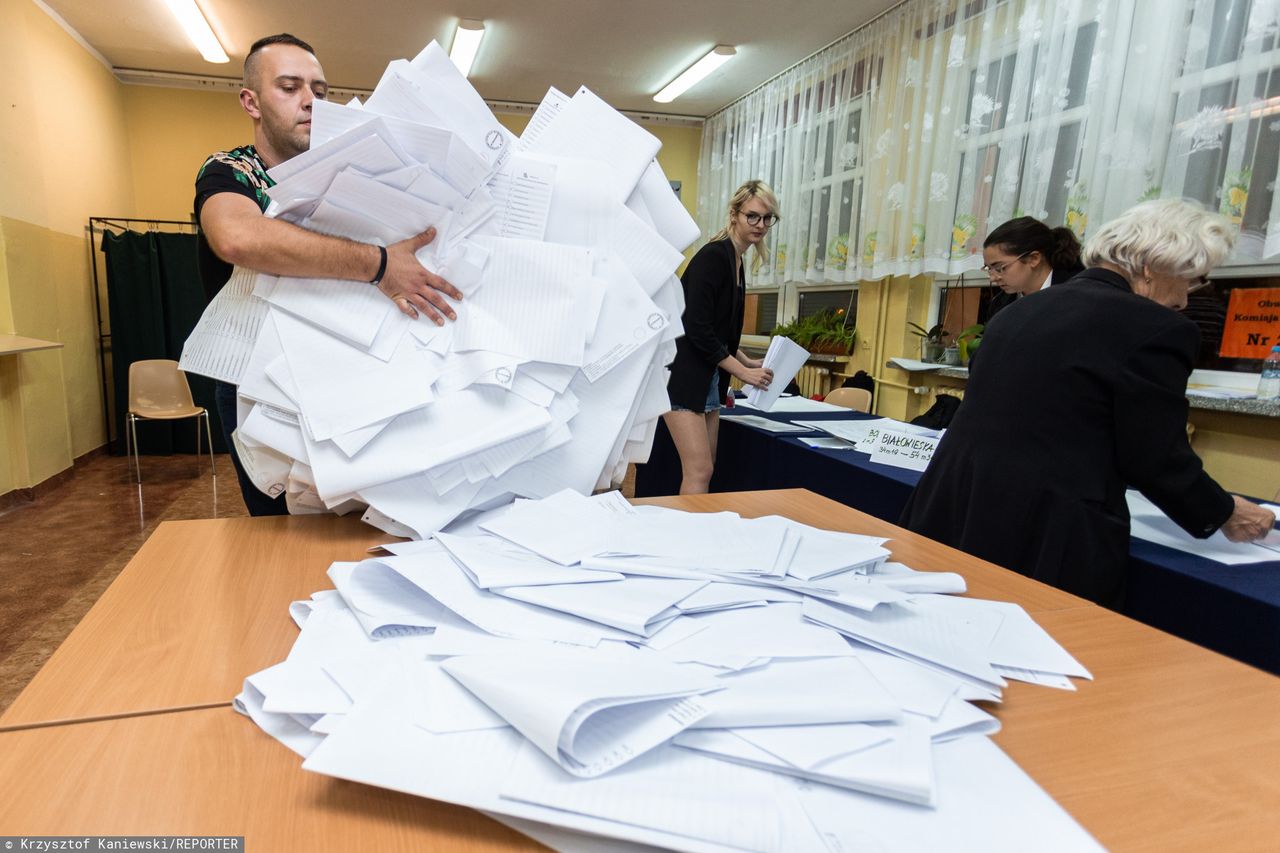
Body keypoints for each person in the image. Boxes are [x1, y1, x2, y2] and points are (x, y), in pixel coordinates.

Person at [900, 199, 1275, 607]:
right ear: (1152, 265)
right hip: (1044, 533)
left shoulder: (1016, 313)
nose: (1186, 299)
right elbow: (1153, 455)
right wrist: (1223, 513)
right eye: (1191, 278)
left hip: (956, 509)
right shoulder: (1155, 328)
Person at [194, 34, 461, 515]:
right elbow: (237, 237)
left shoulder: (349, 171)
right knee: (282, 525)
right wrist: (379, 264)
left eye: (318, 89)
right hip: (255, 376)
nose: (310, 102)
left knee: (358, 518)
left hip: (341, 367)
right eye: (289, 87)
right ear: (251, 101)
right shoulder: (234, 170)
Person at [664, 180, 778, 494]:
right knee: (699, 470)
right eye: (752, 216)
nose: (760, 225)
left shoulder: (737, 261)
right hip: (684, 376)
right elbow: (696, 328)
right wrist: (743, 372)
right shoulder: (714, 256)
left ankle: (694, 534)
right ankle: (686, 541)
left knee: (706, 466)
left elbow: (720, 332)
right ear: (734, 214)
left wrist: (745, 359)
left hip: (708, 377)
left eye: (768, 219)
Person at [981, 216, 1084, 320]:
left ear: (1034, 259)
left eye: (999, 268)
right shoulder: (1000, 305)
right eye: (988, 268)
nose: (993, 278)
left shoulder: (1078, 295)